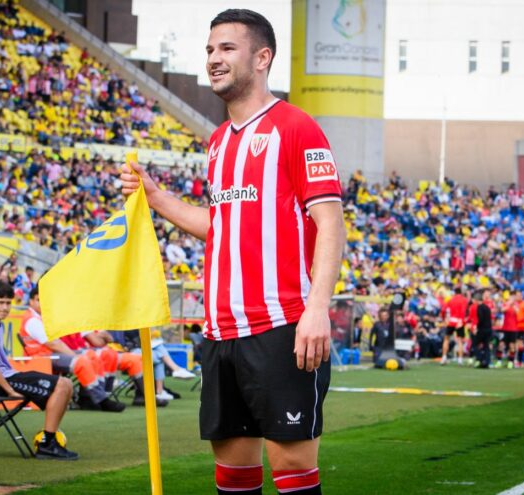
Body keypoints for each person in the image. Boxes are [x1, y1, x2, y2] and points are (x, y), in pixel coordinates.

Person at [120, 9, 345, 494]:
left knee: (291, 470)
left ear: (262, 58)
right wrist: (157, 198)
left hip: (282, 326)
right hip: (222, 333)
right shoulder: (219, 143)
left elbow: (330, 221)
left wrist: (318, 309)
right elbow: (221, 226)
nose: (213, 59)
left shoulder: (296, 127)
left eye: (226, 49)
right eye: (209, 50)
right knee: (233, 474)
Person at [0, 281, 79, 460]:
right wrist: (9, 389)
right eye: (0, 302)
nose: (5, 308)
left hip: (8, 376)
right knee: (61, 386)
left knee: (66, 384)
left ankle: (50, 441)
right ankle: (47, 445)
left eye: (8, 303)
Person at [19, 287, 128, 412]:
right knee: (82, 361)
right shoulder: (32, 320)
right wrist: (75, 356)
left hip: (51, 355)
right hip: (43, 358)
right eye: (39, 300)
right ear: (31, 301)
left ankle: (88, 397)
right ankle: (102, 400)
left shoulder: (41, 318)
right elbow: (54, 344)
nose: (43, 304)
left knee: (92, 355)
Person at [440, 287, 468, 365]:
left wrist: (444, 319)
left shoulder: (450, 299)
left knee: (446, 339)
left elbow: (443, 310)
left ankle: (444, 357)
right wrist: (462, 321)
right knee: (460, 341)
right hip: (459, 321)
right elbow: (464, 311)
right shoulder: (464, 300)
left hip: (451, 321)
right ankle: (460, 359)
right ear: (461, 292)